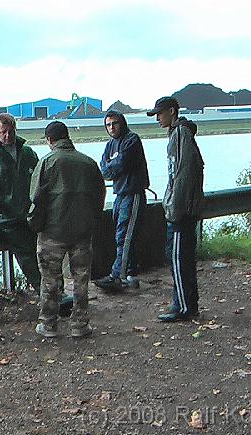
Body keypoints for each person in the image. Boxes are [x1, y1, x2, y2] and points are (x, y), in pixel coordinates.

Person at [29, 121, 105, 338]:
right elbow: (100, 195)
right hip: (82, 232)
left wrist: (35, 222)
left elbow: (34, 198)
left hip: (52, 232)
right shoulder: (89, 163)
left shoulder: (46, 163)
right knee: (81, 279)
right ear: (67, 136)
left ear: (49, 140)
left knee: (50, 280)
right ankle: (80, 325)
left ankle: (49, 324)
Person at [147, 96, 204, 322]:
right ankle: (187, 304)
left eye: (160, 113)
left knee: (178, 259)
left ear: (172, 111)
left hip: (181, 211)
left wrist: (174, 207)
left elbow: (182, 175)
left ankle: (183, 307)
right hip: (184, 208)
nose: (158, 118)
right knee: (183, 259)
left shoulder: (180, 135)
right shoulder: (180, 134)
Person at [93, 110, 150, 292]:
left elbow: (121, 163)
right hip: (119, 195)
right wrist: (112, 167)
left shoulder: (132, 140)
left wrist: (113, 167)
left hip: (132, 194)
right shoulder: (110, 145)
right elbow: (104, 169)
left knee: (124, 237)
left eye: (115, 123)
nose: (112, 127)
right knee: (122, 235)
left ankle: (118, 276)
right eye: (108, 125)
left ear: (122, 123)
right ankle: (130, 273)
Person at [0, 113, 41, 291]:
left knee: (41, 251)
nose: (8, 136)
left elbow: (39, 177)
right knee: (26, 253)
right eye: (3, 132)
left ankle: (53, 291)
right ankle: (44, 291)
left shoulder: (27, 152)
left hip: (29, 213)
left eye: (11, 131)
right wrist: (3, 206)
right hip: (6, 217)